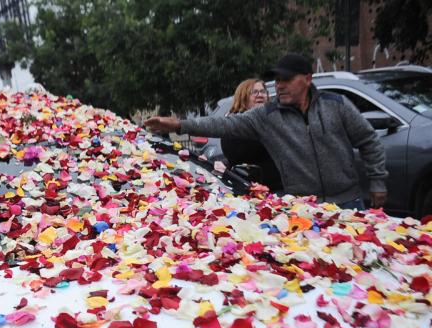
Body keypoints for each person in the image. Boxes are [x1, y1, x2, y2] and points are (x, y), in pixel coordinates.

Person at [145, 53, 388, 210]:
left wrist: (378, 182)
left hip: (348, 202)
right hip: (303, 207)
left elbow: (369, 141)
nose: (279, 85)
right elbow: (224, 125)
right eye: (277, 80)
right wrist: (178, 125)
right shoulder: (268, 115)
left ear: (307, 79)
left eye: (286, 79)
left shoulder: (337, 105)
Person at [220, 79, 282, 192]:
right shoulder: (234, 123)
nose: (260, 95)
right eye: (254, 92)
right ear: (243, 97)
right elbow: (236, 155)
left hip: (279, 189)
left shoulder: (276, 119)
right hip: (250, 190)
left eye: (263, 91)